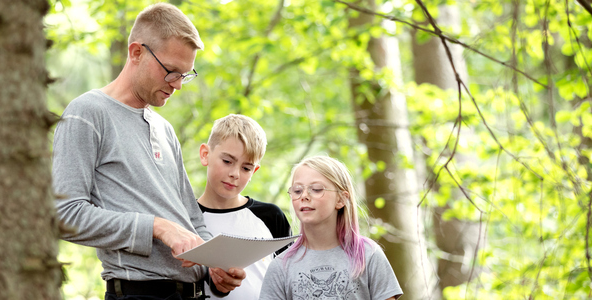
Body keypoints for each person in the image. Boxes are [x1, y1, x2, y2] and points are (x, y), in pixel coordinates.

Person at [51, 3, 245, 300]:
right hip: (140, 292)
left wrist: (213, 267)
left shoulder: (165, 129)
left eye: (185, 74)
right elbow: (63, 214)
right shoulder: (87, 113)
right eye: (171, 71)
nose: (178, 85)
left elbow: (192, 219)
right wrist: (156, 227)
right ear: (136, 52)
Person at [259, 156, 403, 300]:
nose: (304, 196)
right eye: (297, 191)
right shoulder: (280, 266)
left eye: (316, 189)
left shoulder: (369, 255)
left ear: (341, 199)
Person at [196, 114, 291, 299]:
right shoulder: (184, 217)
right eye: (227, 161)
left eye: (246, 168)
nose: (235, 174)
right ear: (205, 155)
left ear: (254, 171)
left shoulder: (270, 216)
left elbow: (290, 279)